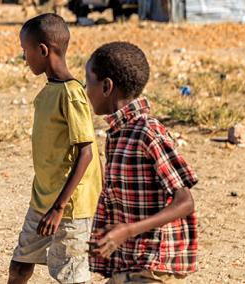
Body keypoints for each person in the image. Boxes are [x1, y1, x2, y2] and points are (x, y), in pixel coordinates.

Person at [84, 41, 199, 284]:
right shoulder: (120, 133)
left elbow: (185, 202)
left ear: (106, 86)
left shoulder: (147, 132)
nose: (86, 89)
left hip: (151, 265)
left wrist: (127, 231)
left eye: (88, 81)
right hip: (131, 262)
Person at [7, 13, 102, 284]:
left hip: (69, 206)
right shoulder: (51, 90)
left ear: (43, 50)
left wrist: (59, 207)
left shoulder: (72, 94)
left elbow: (86, 150)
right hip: (43, 199)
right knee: (20, 264)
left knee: (70, 275)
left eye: (26, 51)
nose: (24, 58)